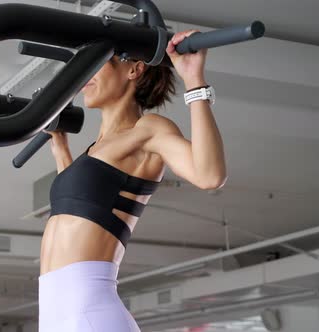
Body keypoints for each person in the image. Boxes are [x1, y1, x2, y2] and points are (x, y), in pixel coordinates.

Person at [38, 30, 228, 332]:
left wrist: (194, 81)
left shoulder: (148, 129)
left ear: (134, 68)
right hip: (56, 315)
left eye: (97, 64)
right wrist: (59, 145)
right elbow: (77, 205)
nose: (84, 77)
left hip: (91, 314)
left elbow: (210, 175)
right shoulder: (96, 149)